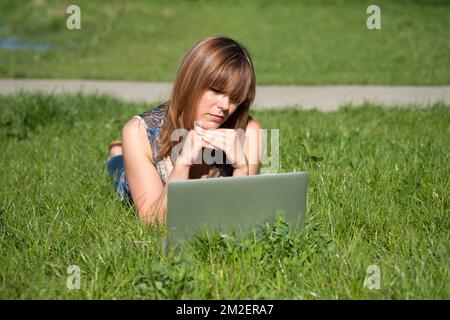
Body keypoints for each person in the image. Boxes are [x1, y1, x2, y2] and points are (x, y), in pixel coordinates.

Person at [106, 36, 263, 224]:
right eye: (216, 90)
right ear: (191, 82)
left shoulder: (249, 133)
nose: (224, 105)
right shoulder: (139, 132)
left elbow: (239, 218)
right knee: (119, 170)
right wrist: (182, 165)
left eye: (235, 98)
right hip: (132, 173)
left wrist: (241, 169)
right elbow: (152, 223)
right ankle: (116, 154)